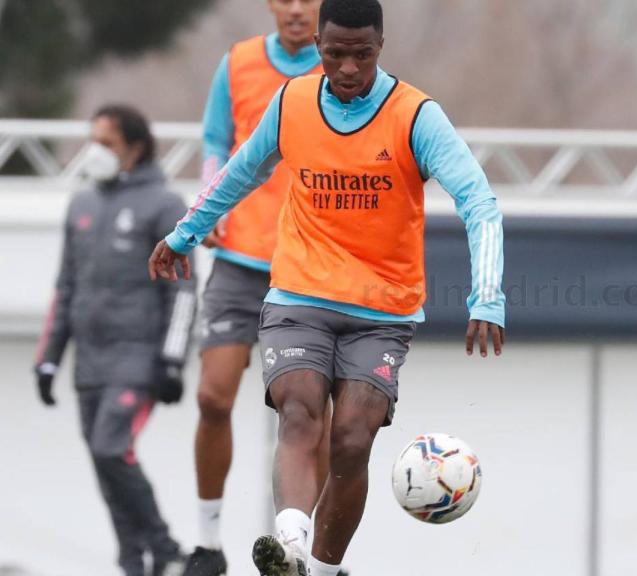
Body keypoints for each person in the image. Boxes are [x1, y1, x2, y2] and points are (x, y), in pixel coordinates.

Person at [148, 1, 506, 574]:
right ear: (318, 45)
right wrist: (186, 233)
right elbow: (243, 169)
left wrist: (487, 295)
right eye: (334, 53)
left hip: (382, 309)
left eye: (360, 55)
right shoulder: (292, 101)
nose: (346, 68)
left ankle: (320, 570)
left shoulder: (415, 115)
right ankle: (289, 549)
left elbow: (480, 204)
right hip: (298, 296)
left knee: (352, 440)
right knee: (298, 412)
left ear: (380, 47)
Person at [184, 2, 324, 574]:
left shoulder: (341, 70)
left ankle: (309, 556)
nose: (296, 8)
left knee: (310, 415)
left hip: (309, 263)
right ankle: (208, 542)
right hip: (240, 258)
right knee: (213, 396)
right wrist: (208, 198)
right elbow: (217, 140)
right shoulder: (238, 63)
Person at [34, 104, 197, 576]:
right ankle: (134, 561)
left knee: (110, 448)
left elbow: (184, 290)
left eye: (106, 142)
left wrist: (172, 361)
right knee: (107, 470)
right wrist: (48, 359)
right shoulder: (81, 204)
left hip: (138, 359)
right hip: (90, 364)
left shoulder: (165, 205)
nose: (95, 151)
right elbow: (65, 286)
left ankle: (166, 550)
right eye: (93, 141)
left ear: (136, 146)